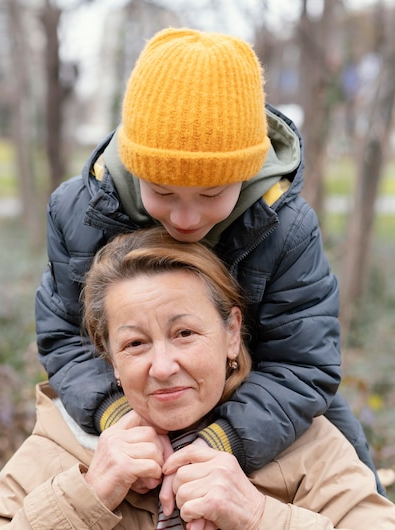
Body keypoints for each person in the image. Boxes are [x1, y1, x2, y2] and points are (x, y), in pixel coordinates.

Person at [35, 26, 384, 493]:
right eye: (161, 192)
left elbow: (304, 364)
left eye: (211, 194)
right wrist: (119, 416)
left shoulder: (288, 228)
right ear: (137, 168)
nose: (184, 217)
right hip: (131, 404)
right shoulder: (77, 210)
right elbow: (64, 337)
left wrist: (222, 440)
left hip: (259, 411)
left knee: (355, 488)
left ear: (245, 174)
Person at [0, 228, 394, 529]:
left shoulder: (309, 447)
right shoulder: (62, 444)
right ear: (110, 358)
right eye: (136, 344)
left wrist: (257, 515)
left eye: (184, 334)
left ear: (231, 333)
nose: (162, 367)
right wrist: (88, 494)